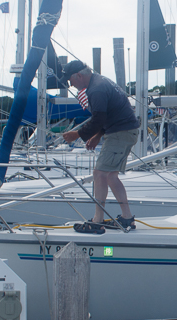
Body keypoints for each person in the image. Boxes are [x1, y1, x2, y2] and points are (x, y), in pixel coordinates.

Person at [59, 60, 140, 233]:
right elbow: (107, 115)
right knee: (110, 176)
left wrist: (77, 134)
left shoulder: (96, 90)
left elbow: (98, 119)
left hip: (120, 133)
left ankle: (98, 221)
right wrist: (97, 135)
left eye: (71, 81)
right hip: (125, 131)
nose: (71, 85)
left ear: (79, 76)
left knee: (99, 174)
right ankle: (127, 218)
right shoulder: (100, 81)